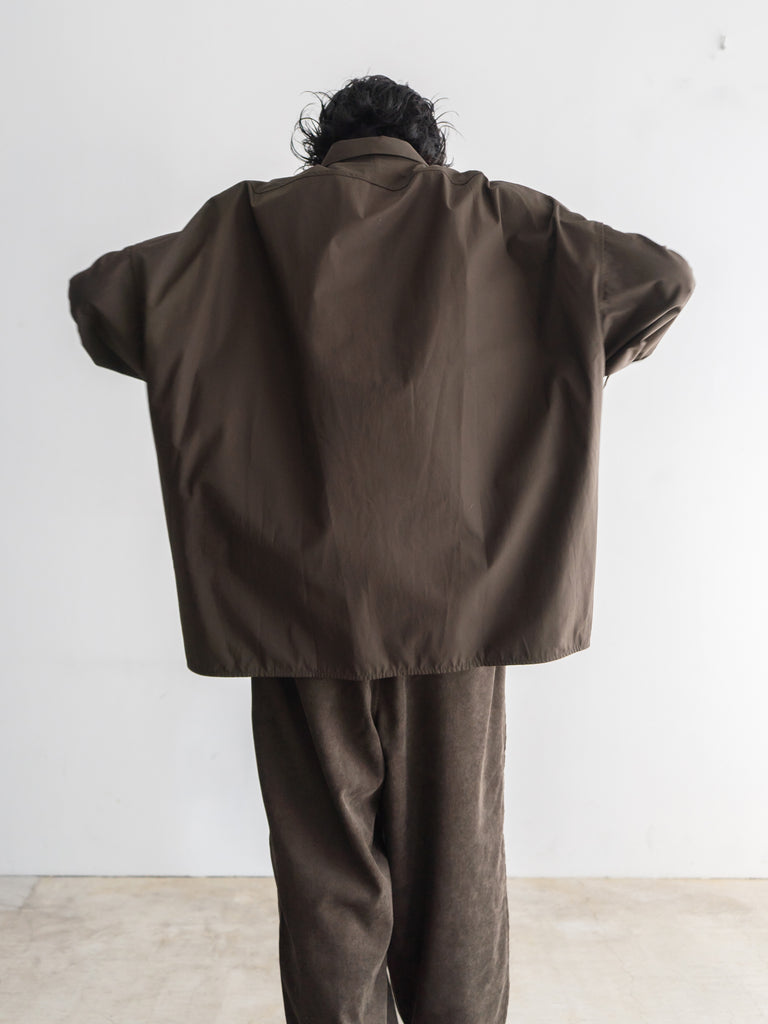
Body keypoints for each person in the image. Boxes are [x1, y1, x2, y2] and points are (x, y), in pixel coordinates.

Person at [68, 73, 696, 1024]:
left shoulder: (244, 228)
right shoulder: (496, 221)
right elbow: (664, 280)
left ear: (320, 148)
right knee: (458, 884)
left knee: (326, 883)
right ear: (426, 149)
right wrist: (565, 359)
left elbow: (102, 300)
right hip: (459, 617)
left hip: (296, 616)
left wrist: (214, 348)